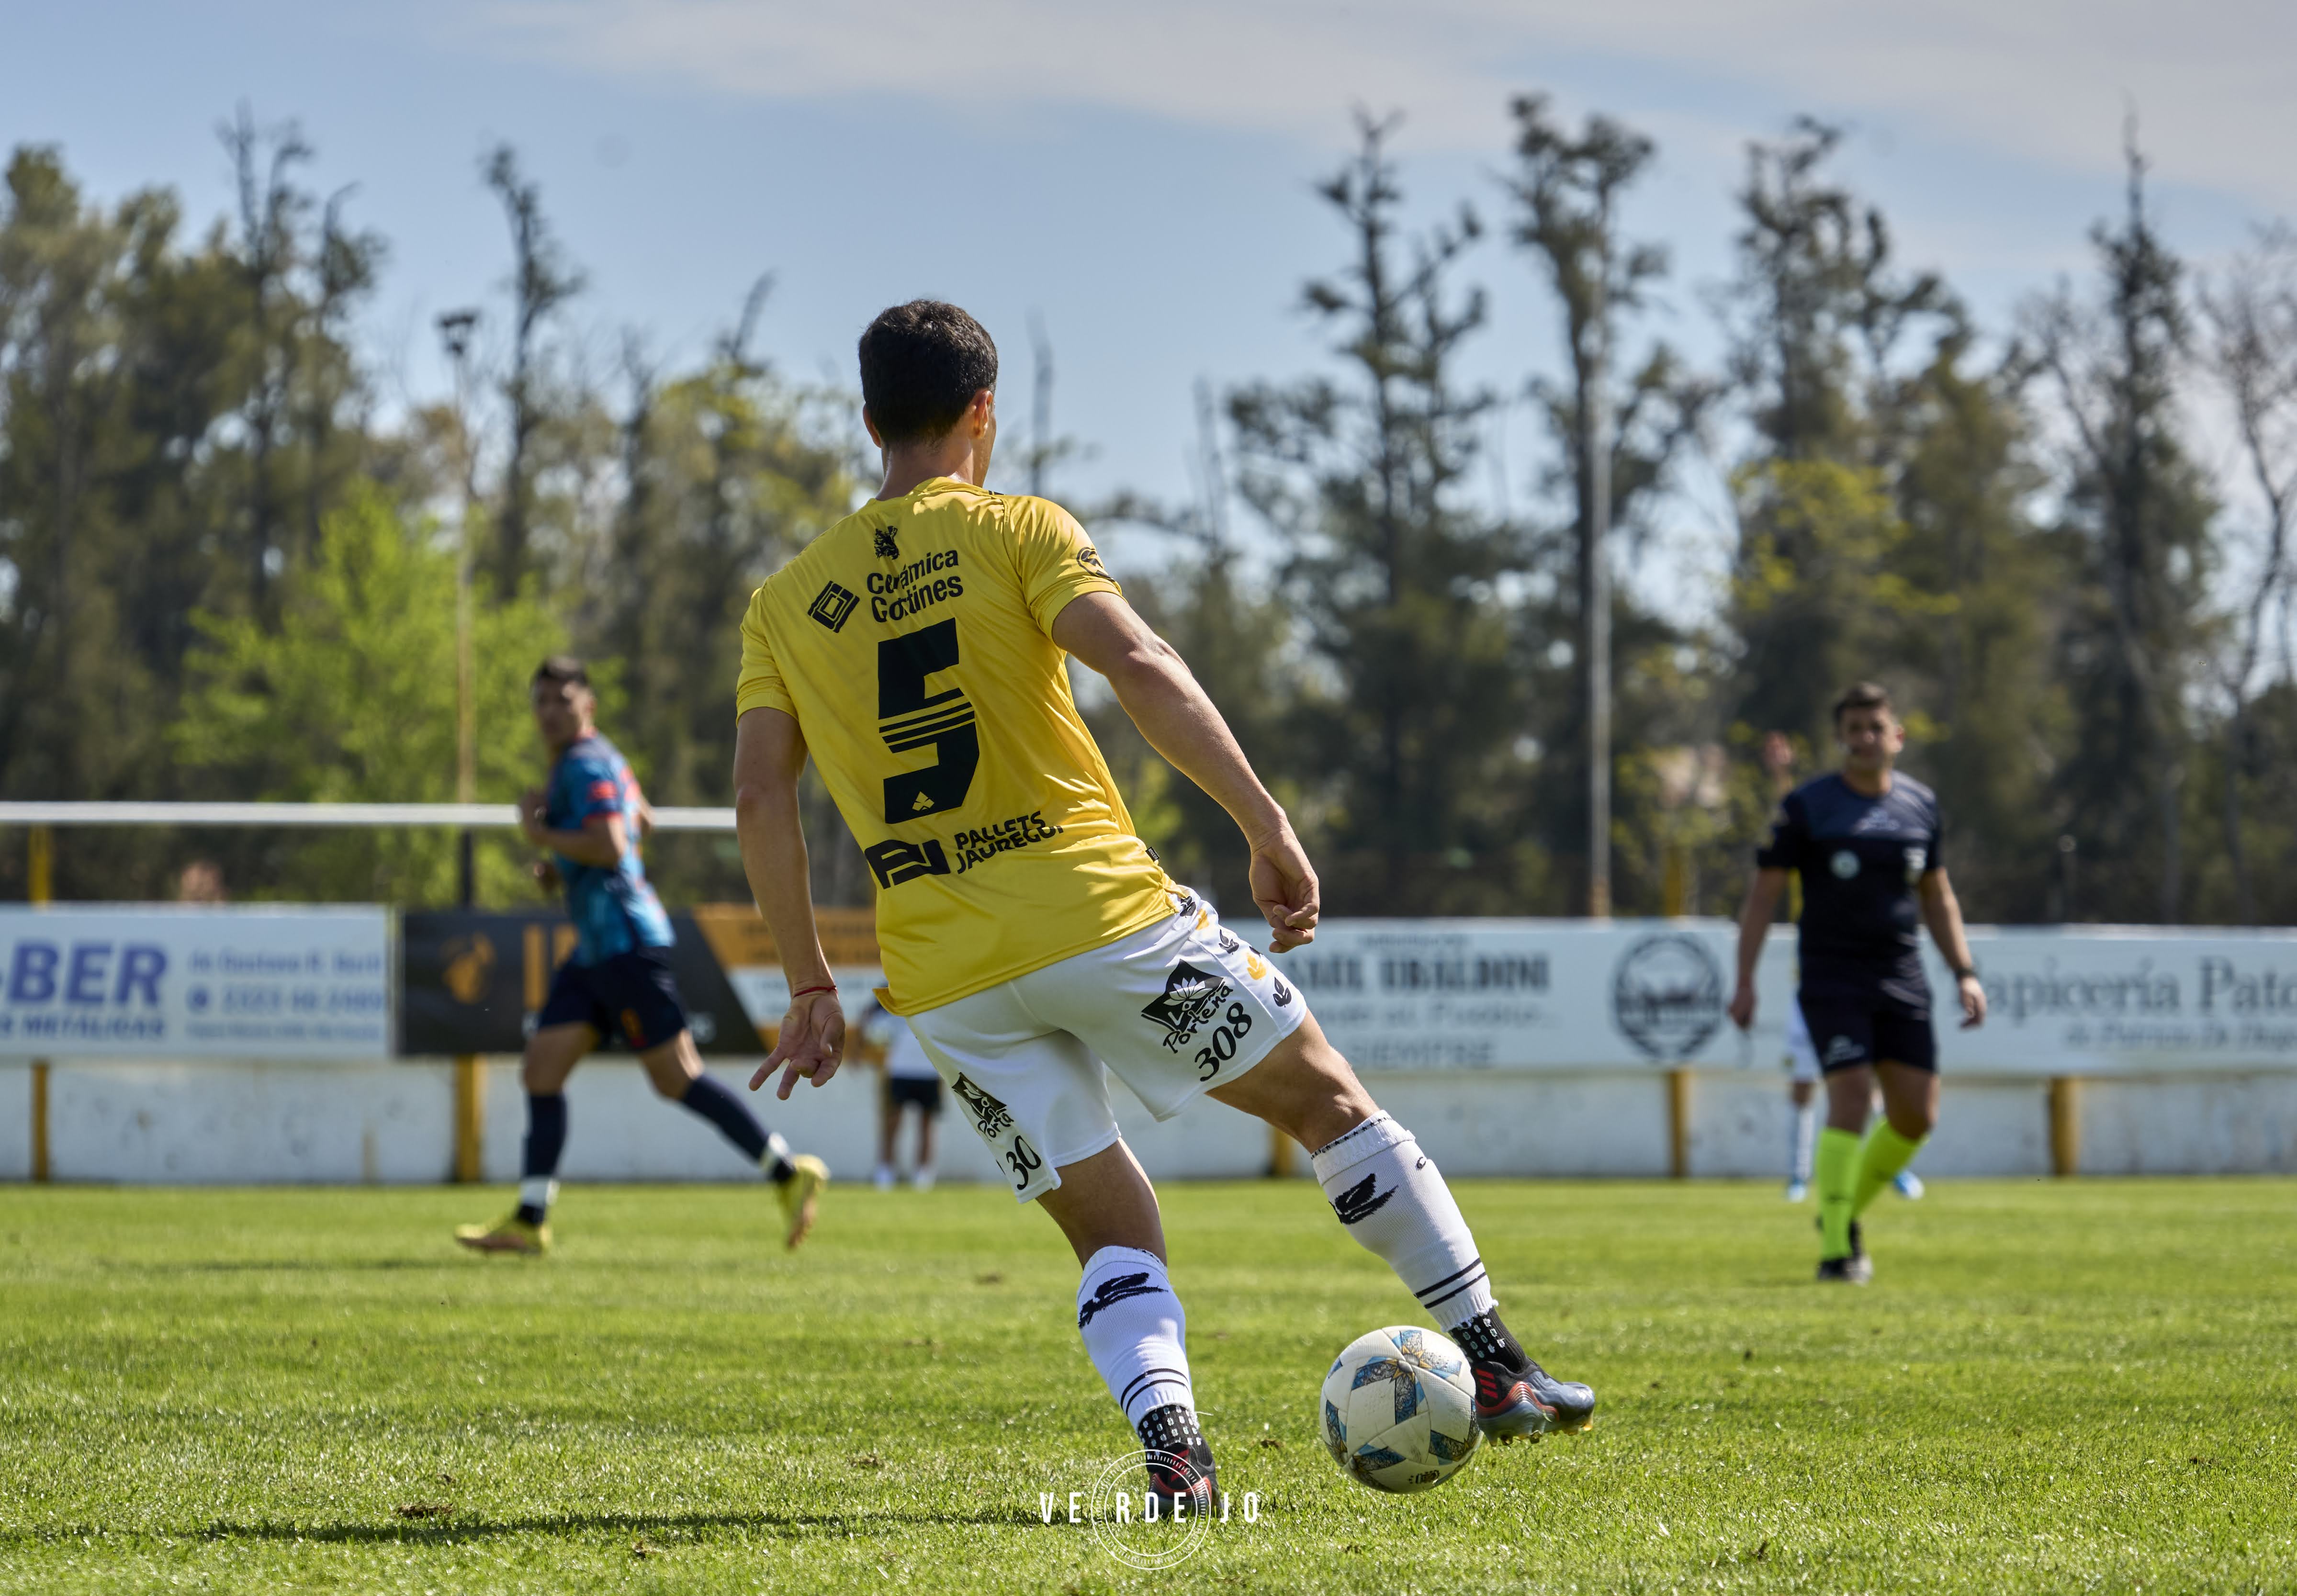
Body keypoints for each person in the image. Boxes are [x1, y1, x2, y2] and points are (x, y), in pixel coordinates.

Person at [730, 301, 1594, 1509]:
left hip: (947, 979)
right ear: (984, 411)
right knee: (1327, 1101)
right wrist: (1264, 821)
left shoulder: (783, 603)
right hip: (1100, 919)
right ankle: (1495, 1365)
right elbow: (1137, 662)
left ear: (868, 421)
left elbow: (758, 797)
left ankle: (1176, 1454)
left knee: (1110, 1228)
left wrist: (810, 982)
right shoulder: (1019, 528)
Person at [456, 656, 828, 1255]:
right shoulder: (601, 758)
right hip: (597, 950)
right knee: (542, 1070)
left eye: (562, 699)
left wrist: (543, 836)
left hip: (625, 943)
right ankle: (529, 1218)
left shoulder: (583, 763)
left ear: (587, 705)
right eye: (541, 700)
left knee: (677, 1077)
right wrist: (563, 865)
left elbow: (611, 842)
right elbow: (642, 821)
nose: (549, 711)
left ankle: (787, 1172)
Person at [1728, 683, 1983, 1282]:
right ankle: (1837, 1251)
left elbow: (1937, 895)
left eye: (1876, 727)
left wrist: (1965, 972)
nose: (1866, 738)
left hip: (1902, 973)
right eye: (1854, 729)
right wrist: (1744, 979)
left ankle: (1839, 1212)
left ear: (1897, 736)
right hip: (1831, 974)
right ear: (1840, 738)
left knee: (1915, 1117)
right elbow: (1763, 895)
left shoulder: (1920, 805)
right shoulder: (1808, 806)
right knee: (1848, 1096)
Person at [1760, 732, 1922, 1207]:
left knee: (1865, 1081)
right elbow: (1787, 822)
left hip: (1861, 987)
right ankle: (1798, 1175)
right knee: (1804, 1083)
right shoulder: (1806, 857)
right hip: (1814, 988)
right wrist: (1779, 777)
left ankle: (1891, 1167)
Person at [862, 1000, 943, 1189]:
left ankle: (923, 1175)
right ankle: (885, 1172)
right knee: (892, 1123)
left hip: (930, 1071)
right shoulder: (892, 994)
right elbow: (871, 1020)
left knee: (926, 1124)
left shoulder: (936, 995)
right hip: (898, 1070)